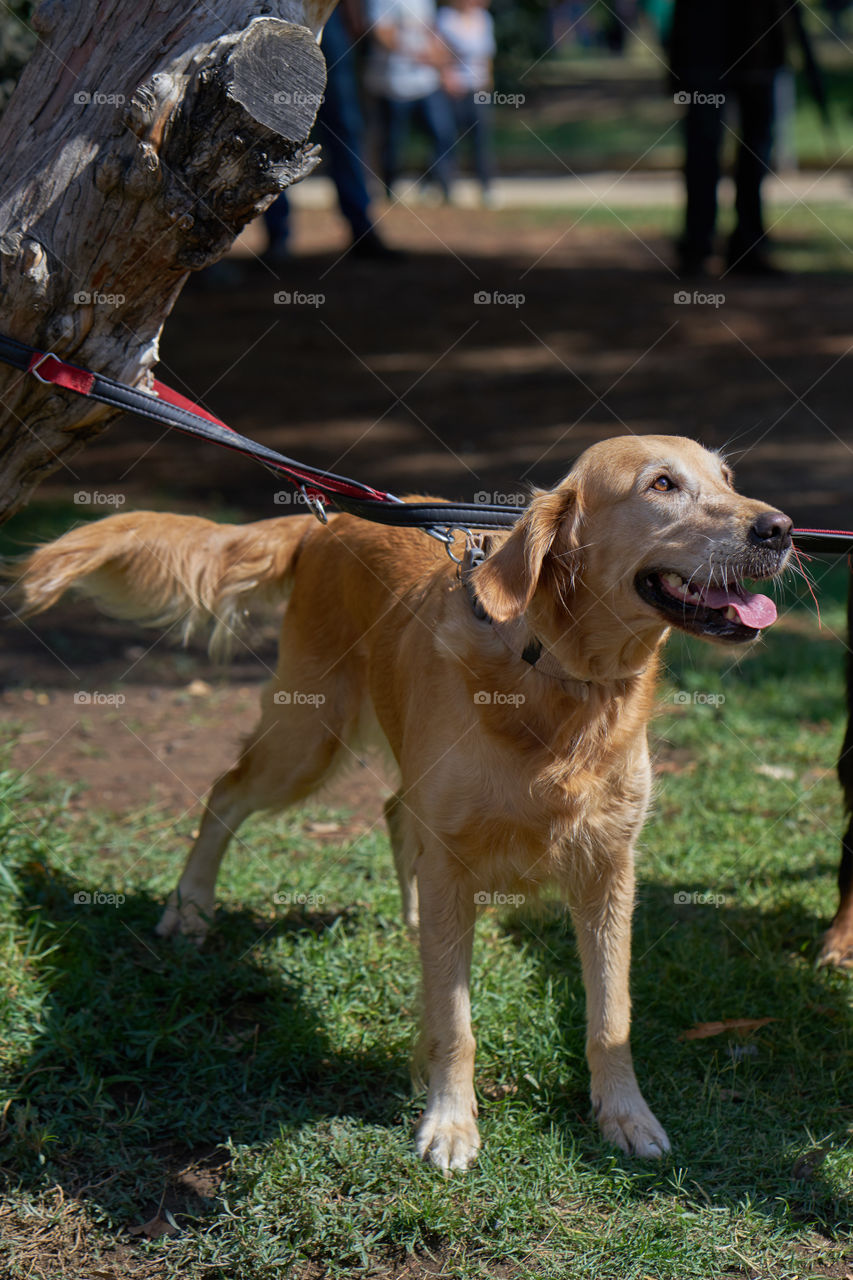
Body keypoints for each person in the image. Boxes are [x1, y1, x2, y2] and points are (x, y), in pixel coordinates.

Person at [668, 0, 792, 277]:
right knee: (704, 146)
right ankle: (698, 245)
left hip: (758, 44)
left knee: (755, 146)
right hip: (704, 46)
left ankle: (747, 244)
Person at [264, 3, 396, 261]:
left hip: (325, 15)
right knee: (274, 124)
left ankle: (362, 228)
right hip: (272, 11)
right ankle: (276, 234)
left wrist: (353, 11)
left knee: (344, 123)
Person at [364, 0, 457, 201]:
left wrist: (443, 66)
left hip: (426, 82)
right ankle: (389, 190)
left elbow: (431, 31)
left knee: (443, 133)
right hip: (392, 84)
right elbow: (381, 33)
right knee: (393, 143)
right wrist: (415, 53)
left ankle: (440, 186)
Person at [436, 0, 497, 204]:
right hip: (454, 89)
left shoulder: (484, 19)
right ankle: (445, 187)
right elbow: (439, 52)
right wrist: (447, 78)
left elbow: (487, 55)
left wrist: (487, 83)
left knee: (481, 140)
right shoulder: (445, 18)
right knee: (448, 138)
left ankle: (485, 187)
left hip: (477, 88)